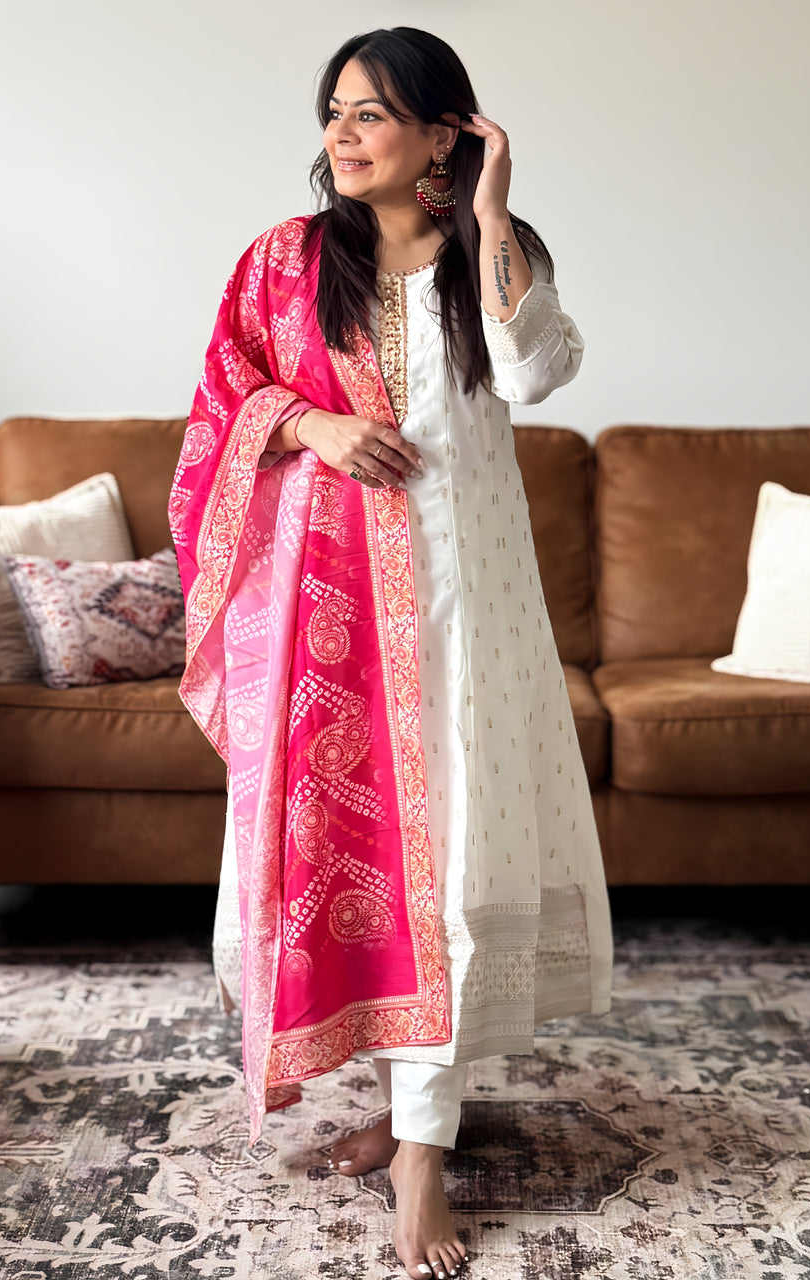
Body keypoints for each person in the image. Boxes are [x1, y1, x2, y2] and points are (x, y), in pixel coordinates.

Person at [168, 26, 613, 1280]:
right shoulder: (288, 261)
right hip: (329, 614)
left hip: (466, 607)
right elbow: (222, 398)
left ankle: (421, 1150)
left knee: (449, 863)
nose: (343, 133)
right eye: (334, 111)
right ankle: (406, 1109)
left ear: (441, 132)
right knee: (354, 859)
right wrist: (309, 422)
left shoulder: (491, 256)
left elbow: (538, 370)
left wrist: (493, 209)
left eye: (372, 112)